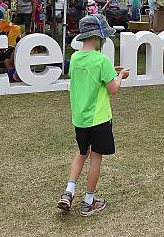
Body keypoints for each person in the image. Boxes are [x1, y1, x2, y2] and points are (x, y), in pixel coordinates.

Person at [56, 14, 130, 216]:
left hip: (80, 118)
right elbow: (113, 89)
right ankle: (88, 201)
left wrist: (110, 73)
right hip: (99, 119)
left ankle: (69, 192)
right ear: (99, 36)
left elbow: (90, 78)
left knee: (81, 153)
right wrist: (121, 75)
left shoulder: (75, 58)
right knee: (96, 157)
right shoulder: (101, 60)